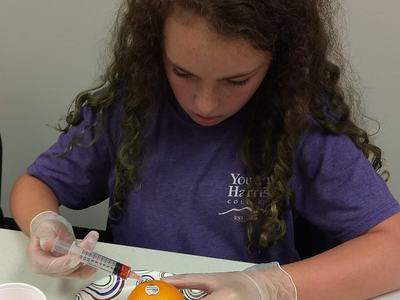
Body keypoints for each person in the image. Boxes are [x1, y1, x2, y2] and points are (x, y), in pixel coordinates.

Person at [10, 0, 400, 299]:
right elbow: (35, 183)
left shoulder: (302, 126)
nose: (205, 104)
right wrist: (45, 223)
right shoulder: (129, 109)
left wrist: (271, 286)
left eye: (237, 80)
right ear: (155, 50)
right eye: (182, 73)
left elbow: (393, 246)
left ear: (277, 63)